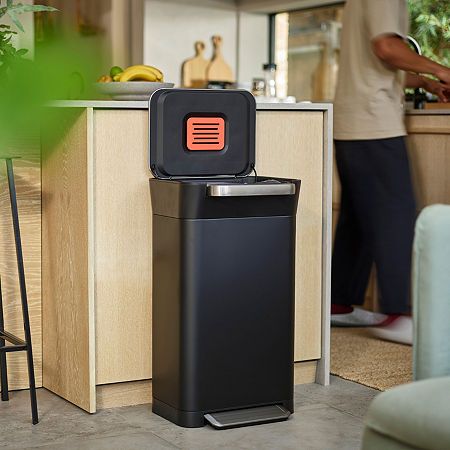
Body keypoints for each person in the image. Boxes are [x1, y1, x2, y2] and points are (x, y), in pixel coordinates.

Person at [332, 0, 450, 344]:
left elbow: (377, 61)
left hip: (352, 122)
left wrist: (426, 83)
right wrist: (442, 70)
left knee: (360, 219)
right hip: (374, 122)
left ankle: (338, 303)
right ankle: (402, 313)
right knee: (395, 216)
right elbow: (386, 47)